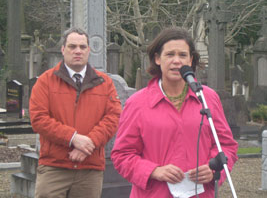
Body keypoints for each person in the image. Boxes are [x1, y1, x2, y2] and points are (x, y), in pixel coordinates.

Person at [111, 27, 238, 198]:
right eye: (170, 55)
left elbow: (226, 146)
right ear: (157, 58)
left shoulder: (207, 97)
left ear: (191, 59)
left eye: (182, 55)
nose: (176, 61)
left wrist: (214, 170)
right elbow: (122, 155)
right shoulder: (138, 103)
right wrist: (153, 171)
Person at [29, 27, 121, 198]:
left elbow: (113, 117)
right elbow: (38, 119)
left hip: (89, 168)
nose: (77, 51)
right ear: (63, 50)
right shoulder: (45, 81)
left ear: (89, 50)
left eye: (82, 47)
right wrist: (73, 138)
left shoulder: (105, 82)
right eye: (72, 46)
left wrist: (88, 144)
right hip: (54, 167)